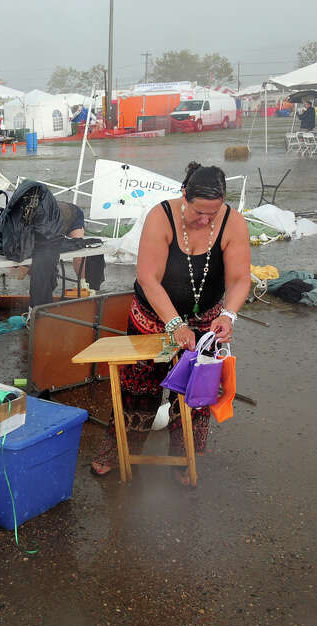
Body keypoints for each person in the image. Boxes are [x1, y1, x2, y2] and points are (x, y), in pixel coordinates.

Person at [90, 163, 251, 483]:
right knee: (138, 388)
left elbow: (239, 279)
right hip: (152, 317)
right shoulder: (160, 217)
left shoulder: (232, 223)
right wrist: (175, 324)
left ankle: (183, 459)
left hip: (207, 320)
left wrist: (228, 314)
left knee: (197, 393)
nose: (206, 220)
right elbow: (148, 278)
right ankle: (117, 452)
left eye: (213, 213)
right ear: (184, 197)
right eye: (199, 213)